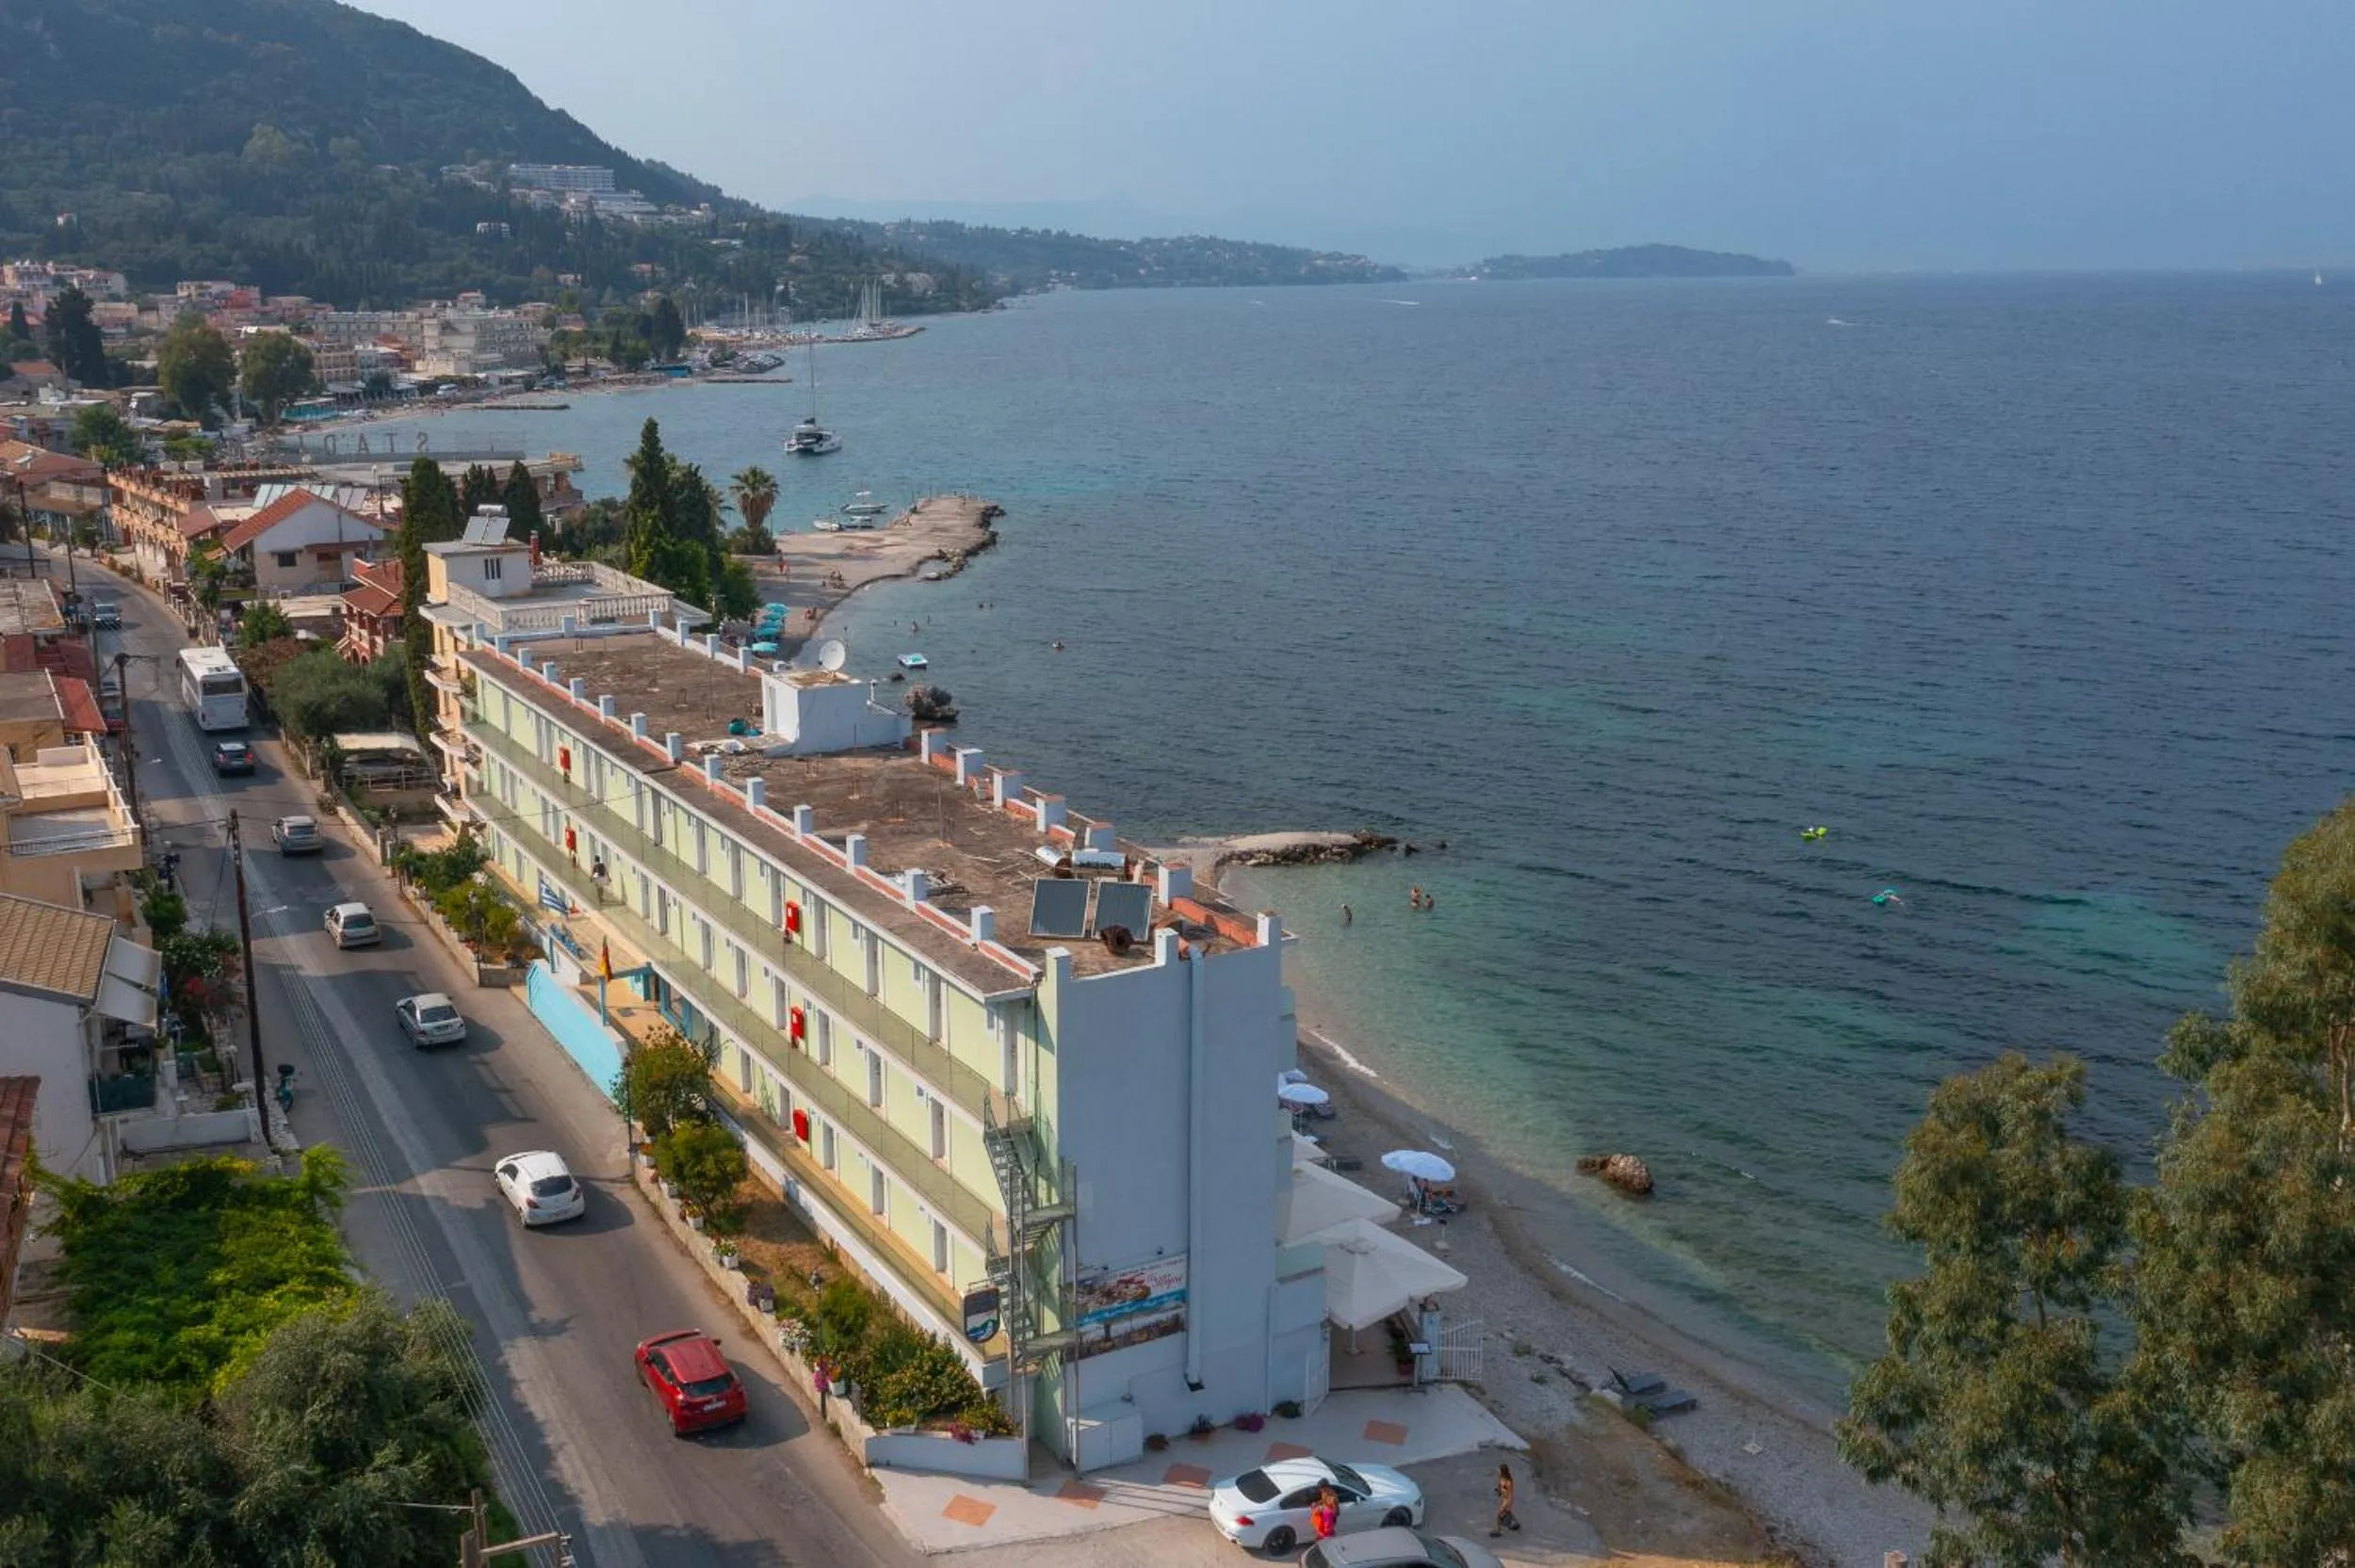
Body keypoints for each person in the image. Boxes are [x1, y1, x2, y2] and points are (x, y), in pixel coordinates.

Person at [1492, 1462, 1519, 1536]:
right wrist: (1498, 1490)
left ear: (1503, 1471)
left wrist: (1508, 1505)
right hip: (1503, 1498)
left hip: (1507, 1500)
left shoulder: (1508, 1482)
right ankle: (1515, 1523)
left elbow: (1510, 1494)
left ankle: (1498, 1531)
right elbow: (1500, 1485)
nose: (1498, 1471)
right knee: (1506, 1513)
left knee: (1498, 1514)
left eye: (1499, 1470)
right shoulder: (1502, 1478)